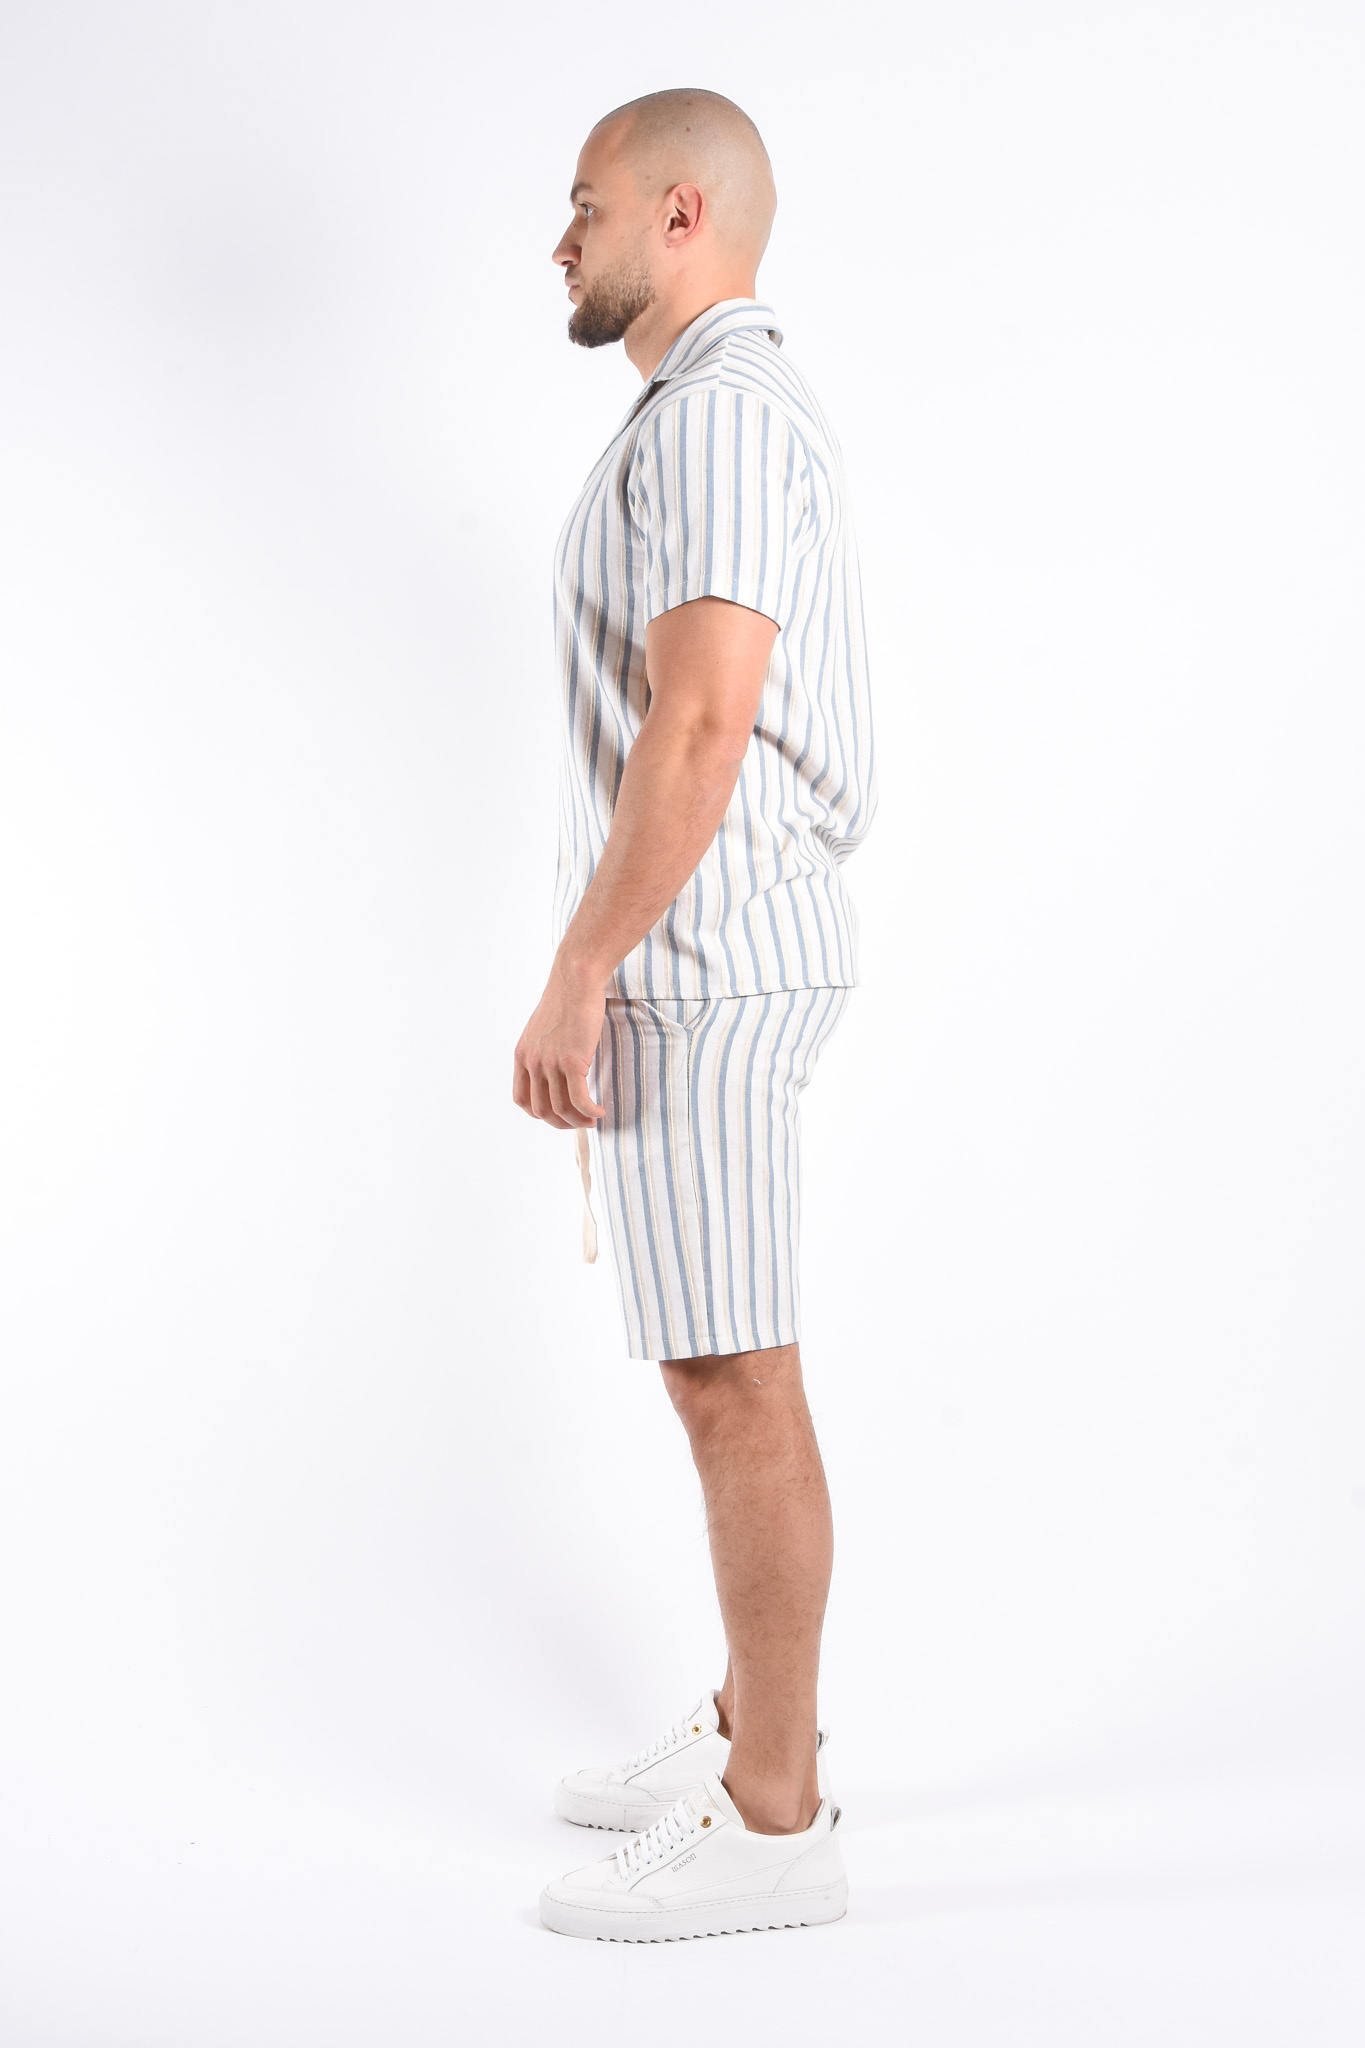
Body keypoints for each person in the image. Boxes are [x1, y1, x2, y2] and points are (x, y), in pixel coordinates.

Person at [512, 85, 877, 1941]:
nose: (556, 242)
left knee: (736, 1378)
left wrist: (581, 969)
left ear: (679, 214)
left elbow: (706, 719)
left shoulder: (721, 410)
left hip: (706, 956)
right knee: (717, 1367)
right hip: (710, 945)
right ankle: (752, 1729)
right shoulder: (698, 410)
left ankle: (775, 1823)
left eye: (582, 206)